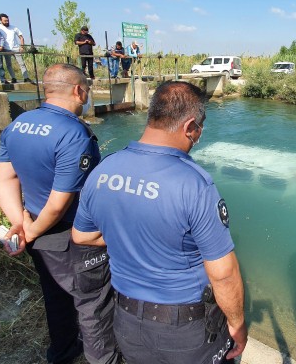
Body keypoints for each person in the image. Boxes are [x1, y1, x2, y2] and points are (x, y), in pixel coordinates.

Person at [71, 81, 248, 364]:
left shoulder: (104, 170)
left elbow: (82, 236)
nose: (198, 137)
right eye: (200, 129)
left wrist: (128, 234)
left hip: (126, 321)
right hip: (186, 331)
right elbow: (223, 273)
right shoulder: (195, 184)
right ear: (190, 126)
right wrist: (237, 324)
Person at [0, 63, 119, 364]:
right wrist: (31, 231)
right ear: (78, 90)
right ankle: (102, 359)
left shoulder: (18, 125)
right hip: (71, 236)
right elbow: (60, 201)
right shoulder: (75, 135)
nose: (87, 96)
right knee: (93, 305)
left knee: (55, 296)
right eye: (87, 90)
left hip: (38, 231)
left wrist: (20, 222)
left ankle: (62, 352)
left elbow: (3, 178)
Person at [0, 13, 32, 84]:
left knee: (22, 63)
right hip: (6, 49)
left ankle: (26, 77)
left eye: (7, 20)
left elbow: (21, 37)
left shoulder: (14, 27)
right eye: (5, 21)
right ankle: (13, 78)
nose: (7, 22)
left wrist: (22, 46)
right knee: (9, 64)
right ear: (1, 20)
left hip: (16, 48)